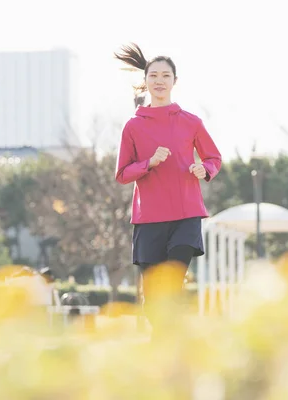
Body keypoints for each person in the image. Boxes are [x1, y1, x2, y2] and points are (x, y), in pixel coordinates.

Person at [114, 43, 222, 319]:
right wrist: (148, 163)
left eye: (165, 76)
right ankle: (160, 345)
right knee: (154, 296)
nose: (159, 81)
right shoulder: (133, 126)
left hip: (186, 214)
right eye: (154, 76)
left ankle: (174, 348)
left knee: (171, 286)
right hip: (149, 218)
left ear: (175, 81)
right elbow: (123, 173)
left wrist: (204, 168)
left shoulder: (191, 122)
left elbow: (214, 158)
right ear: (145, 81)